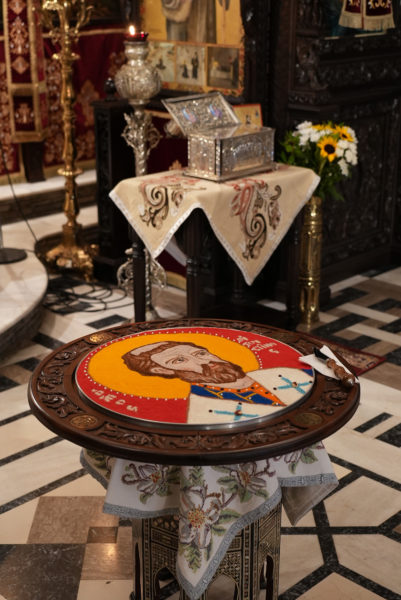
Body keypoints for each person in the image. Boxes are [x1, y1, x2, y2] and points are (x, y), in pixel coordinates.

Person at [122, 340, 313, 407]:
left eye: (200, 353)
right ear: (163, 370)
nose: (204, 361)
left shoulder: (283, 373)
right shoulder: (203, 407)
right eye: (179, 360)